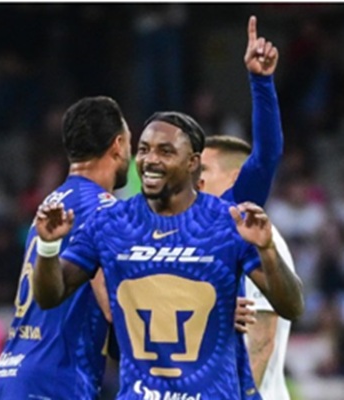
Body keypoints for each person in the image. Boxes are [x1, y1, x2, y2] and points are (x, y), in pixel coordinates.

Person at [32, 110, 304, 399]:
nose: (150, 159)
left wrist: (267, 249)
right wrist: (48, 248)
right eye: (144, 150)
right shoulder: (109, 222)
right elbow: (50, 296)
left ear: (192, 162)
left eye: (165, 151)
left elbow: (293, 307)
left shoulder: (227, 223)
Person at [0, 96, 132, 399]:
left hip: (12, 374)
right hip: (58, 379)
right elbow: (114, 306)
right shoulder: (104, 210)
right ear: (118, 144)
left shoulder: (54, 202)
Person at [200, 135, 295, 399]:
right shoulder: (210, 239)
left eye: (203, 169)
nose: (195, 179)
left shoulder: (258, 242)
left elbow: (261, 340)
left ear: (236, 178)